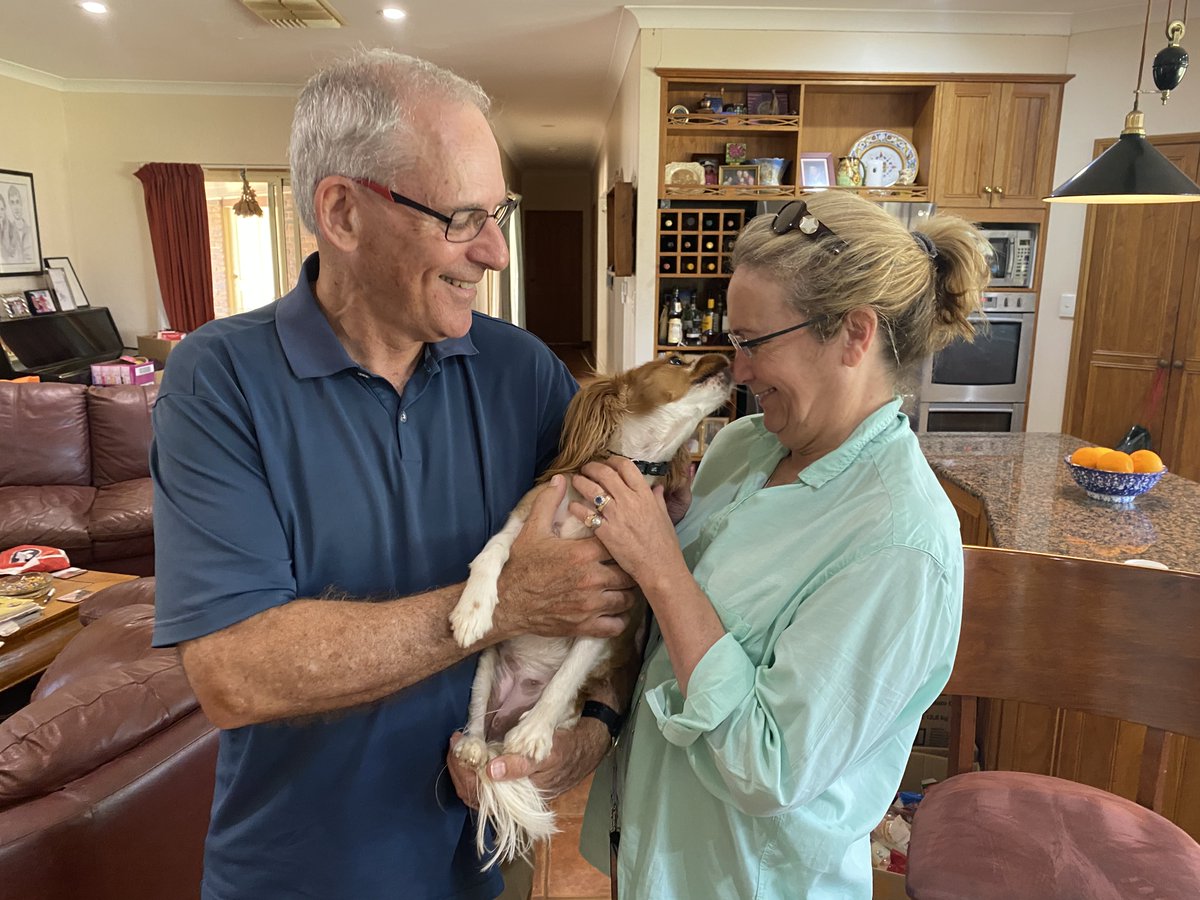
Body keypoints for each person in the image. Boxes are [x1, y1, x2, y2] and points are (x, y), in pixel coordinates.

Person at [150, 49, 633, 900]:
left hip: (485, 858)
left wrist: (589, 732)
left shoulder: (522, 371)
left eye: (500, 213)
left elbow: (625, 579)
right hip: (303, 870)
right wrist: (505, 605)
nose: (495, 252)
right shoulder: (217, 379)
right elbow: (235, 670)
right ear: (342, 212)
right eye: (461, 217)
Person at [570, 192, 992, 898]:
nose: (736, 371)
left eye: (754, 343)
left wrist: (663, 566)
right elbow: (690, 637)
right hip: (654, 845)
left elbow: (770, 766)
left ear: (854, 336)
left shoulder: (901, 542)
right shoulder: (744, 447)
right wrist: (671, 530)